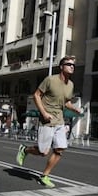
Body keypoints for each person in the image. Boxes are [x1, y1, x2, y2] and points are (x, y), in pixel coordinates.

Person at [16, 55, 83, 188]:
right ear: (61, 67)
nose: (72, 67)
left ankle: (44, 176)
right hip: (46, 120)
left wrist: (75, 109)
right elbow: (36, 95)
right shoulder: (50, 80)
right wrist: (44, 113)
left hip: (59, 120)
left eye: (73, 65)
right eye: (69, 64)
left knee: (60, 149)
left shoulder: (71, 85)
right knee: (43, 152)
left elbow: (66, 102)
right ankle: (25, 150)